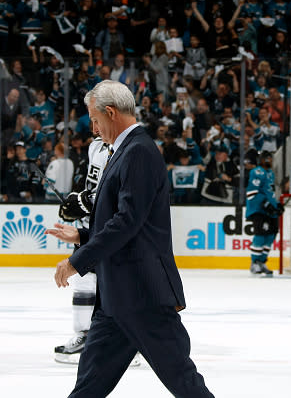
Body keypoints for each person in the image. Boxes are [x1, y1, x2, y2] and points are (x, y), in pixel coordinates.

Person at [46, 80, 214, 398]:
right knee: (89, 385)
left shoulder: (138, 151)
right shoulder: (125, 150)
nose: (94, 129)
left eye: (95, 120)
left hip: (142, 294)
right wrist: (82, 235)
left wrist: (78, 260)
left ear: (110, 113)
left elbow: (127, 222)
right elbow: (123, 222)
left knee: (183, 380)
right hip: (117, 297)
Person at [53, 137, 112, 364]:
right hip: (91, 225)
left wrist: (85, 202)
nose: (95, 128)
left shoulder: (126, 148)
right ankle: (85, 335)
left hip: (113, 226)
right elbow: (91, 186)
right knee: (84, 279)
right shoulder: (95, 146)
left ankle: (128, 341)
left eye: (98, 120)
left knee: (113, 283)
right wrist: (77, 204)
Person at [245, 151, 282, 276]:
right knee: (260, 235)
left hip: (269, 211)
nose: (269, 160)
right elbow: (252, 193)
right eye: (267, 158)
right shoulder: (256, 172)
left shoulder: (270, 173)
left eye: (270, 158)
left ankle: (262, 261)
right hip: (259, 210)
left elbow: (269, 192)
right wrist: (266, 204)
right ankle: (254, 262)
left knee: (271, 235)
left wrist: (276, 205)